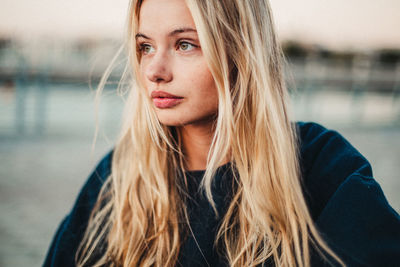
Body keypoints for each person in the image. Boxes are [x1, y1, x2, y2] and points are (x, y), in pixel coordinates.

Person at [43, 0, 400, 266]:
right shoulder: (119, 179)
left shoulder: (322, 165)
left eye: (185, 44)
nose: (154, 69)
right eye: (145, 47)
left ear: (240, 52)